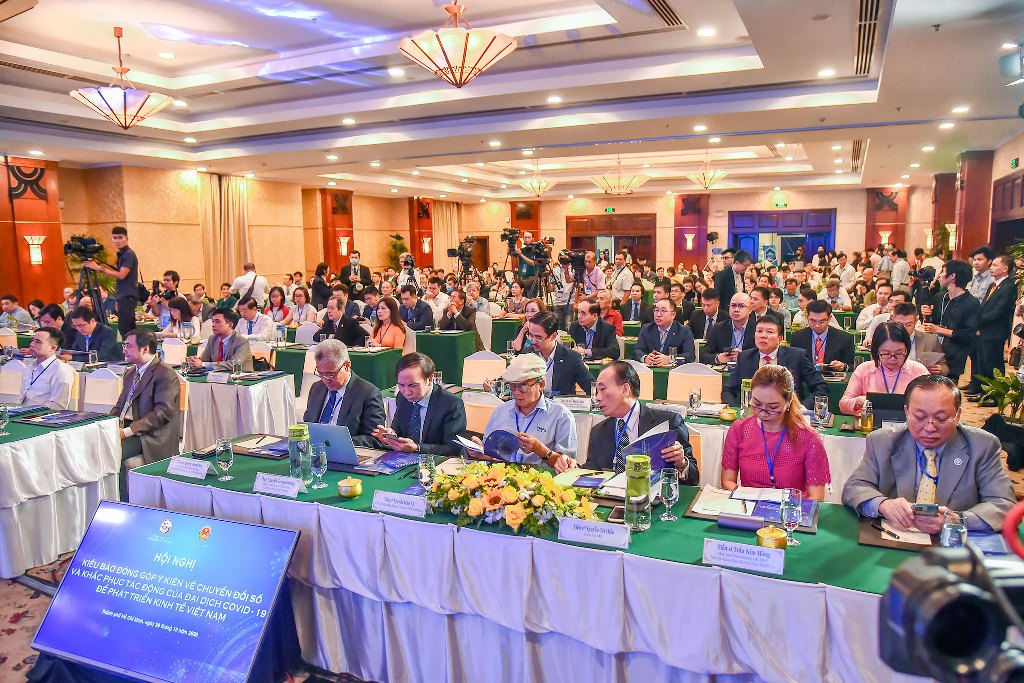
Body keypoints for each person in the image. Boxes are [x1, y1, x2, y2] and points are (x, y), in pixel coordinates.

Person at [842, 375, 1015, 532]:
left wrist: (956, 520)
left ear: (958, 415)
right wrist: (883, 505)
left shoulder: (983, 446)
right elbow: (854, 488)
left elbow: (1004, 505)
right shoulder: (882, 442)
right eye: (919, 417)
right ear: (906, 412)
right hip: (898, 537)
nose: (930, 427)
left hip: (953, 545)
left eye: (941, 418)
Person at [721, 366, 831, 500]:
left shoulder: (809, 438)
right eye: (757, 404)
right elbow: (727, 481)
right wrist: (751, 499)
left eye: (772, 407)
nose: (763, 412)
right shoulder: (739, 430)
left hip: (791, 509)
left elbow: (816, 496)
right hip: (749, 506)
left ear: (789, 401)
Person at [588, 361, 698, 479]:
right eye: (597, 392)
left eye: (603, 389)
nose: (597, 398)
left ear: (625, 389)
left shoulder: (668, 423)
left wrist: (682, 463)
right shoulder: (598, 432)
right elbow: (590, 474)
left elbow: (694, 478)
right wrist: (574, 467)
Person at [480, 354, 578, 471]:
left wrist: (540, 449)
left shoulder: (560, 415)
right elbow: (489, 455)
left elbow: (568, 465)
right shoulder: (501, 411)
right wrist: (479, 452)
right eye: (512, 386)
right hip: (502, 478)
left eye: (523, 386)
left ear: (541, 384)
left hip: (543, 479)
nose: (517, 393)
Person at [110, 329, 181, 477]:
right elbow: (120, 405)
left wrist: (126, 432)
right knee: (96, 446)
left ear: (145, 349)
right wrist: (110, 424)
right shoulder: (130, 372)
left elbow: (161, 414)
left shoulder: (165, 374)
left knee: (111, 453)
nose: (124, 350)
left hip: (150, 436)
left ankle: (122, 493)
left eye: (128, 346)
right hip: (127, 428)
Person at [371, 352, 466, 457]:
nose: (407, 392)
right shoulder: (402, 398)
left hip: (438, 462)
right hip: (406, 460)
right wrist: (390, 437)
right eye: (401, 385)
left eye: (413, 385)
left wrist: (417, 448)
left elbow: (454, 448)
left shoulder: (451, 404)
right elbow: (398, 431)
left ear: (430, 379)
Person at [723, 316, 827, 409]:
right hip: (754, 414)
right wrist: (734, 409)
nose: (763, 336)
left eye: (769, 332)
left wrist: (801, 408)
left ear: (780, 338)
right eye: (759, 331)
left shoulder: (797, 356)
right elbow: (728, 390)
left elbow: (820, 387)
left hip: (788, 414)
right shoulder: (745, 357)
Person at [302, 339, 386, 447]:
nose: (325, 380)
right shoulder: (317, 388)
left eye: (330, 374)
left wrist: (337, 442)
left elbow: (376, 439)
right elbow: (307, 425)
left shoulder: (368, 393)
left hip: (347, 452)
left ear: (346, 365)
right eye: (320, 373)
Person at [840, 322, 929, 415]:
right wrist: (857, 402)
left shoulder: (918, 371)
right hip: (872, 423)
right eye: (886, 353)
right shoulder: (864, 369)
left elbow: (932, 403)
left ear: (907, 349)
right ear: (876, 351)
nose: (892, 359)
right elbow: (843, 404)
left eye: (899, 353)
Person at [966, 254, 1017, 404]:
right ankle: (983, 393)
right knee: (982, 364)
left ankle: (995, 396)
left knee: (993, 365)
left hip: (995, 332)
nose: (992, 268)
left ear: (1005, 268)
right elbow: (983, 306)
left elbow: (998, 311)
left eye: (995, 265)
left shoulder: (1009, 287)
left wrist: (977, 320)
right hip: (983, 331)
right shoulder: (993, 285)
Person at [921, 260, 980, 385]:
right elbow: (931, 324)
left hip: (955, 353)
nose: (939, 276)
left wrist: (938, 329)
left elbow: (967, 335)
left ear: (952, 276)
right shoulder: (940, 297)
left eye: (943, 272)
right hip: (935, 351)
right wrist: (926, 316)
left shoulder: (971, 303)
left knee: (949, 387)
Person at [82, 226, 139, 339]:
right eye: (114, 238)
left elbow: (121, 275)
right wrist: (118, 298)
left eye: (120, 237)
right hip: (124, 295)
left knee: (125, 328)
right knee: (129, 328)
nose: (117, 240)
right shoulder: (122, 254)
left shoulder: (128, 254)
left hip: (128, 295)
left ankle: (130, 348)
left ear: (127, 238)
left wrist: (99, 268)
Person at [527, 311, 592, 396]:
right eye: (531, 335)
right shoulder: (527, 355)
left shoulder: (571, 358)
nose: (533, 341)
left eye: (538, 337)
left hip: (559, 403)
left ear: (553, 336)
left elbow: (592, 388)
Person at [789, 300, 855, 371]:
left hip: (832, 376)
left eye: (822, 321)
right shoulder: (797, 337)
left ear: (829, 319)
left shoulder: (844, 338)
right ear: (807, 317)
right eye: (813, 321)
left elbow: (852, 365)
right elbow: (792, 363)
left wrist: (843, 366)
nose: (817, 325)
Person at [19, 327, 75, 409]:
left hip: (41, 415)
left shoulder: (61, 371)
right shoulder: (30, 368)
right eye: (32, 340)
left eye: (38, 342)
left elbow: (58, 406)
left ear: (53, 348)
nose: (32, 344)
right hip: (21, 411)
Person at [890, 302, 947, 375]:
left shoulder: (930, 340)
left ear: (916, 320)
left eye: (908, 325)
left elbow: (944, 366)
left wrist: (940, 369)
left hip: (921, 380)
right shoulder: (885, 339)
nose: (904, 329)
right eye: (899, 324)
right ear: (892, 319)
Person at [189, 308, 253, 372]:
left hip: (241, 376)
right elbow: (204, 359)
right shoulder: (212, 339)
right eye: (213, 321)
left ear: (230, 325)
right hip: (217, 376)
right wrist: (195, 361)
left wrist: (203, 364)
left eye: (217, 322)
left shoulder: (241, 341)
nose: (213, 325)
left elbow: (234, 364)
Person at [634, 298, 696, 365]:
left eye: (663, 311)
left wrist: (670, 359)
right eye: (656, 310)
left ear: (673, 315)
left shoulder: (684, 331)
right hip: (650, 368)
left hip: (674, 370)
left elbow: (690, 356)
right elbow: (637, 350)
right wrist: (645, 358)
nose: (658, 314)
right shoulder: (647, 329)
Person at [701, 293, 757, 364]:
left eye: (741, 306)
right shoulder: (719, 328)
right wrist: (718, 358)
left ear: (750, 309)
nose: (736, 310)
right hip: (724, 368)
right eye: (733, 305)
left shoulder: (757, 329)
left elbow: (762, 355)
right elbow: (704, 355)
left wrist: (744, 357)